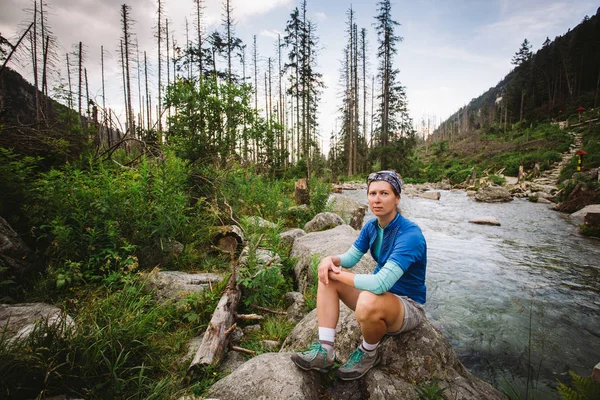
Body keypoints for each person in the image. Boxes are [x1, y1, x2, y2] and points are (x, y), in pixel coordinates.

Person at [291, 170, 427, 380]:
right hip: (379, 297)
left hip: (406, 305)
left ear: (397, 197)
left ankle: (368, 352)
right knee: (327, 276)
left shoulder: (410, 234)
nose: (377, 200)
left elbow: (381, 283)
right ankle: (325, 351)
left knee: (366, 299)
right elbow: (350, 258)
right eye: (372, 194)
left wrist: (340, 275)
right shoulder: (372, 227)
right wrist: (331, 260)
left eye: (384, 193)